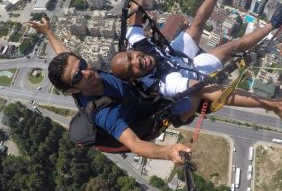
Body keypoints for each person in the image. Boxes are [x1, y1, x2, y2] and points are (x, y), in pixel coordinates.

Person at [111, 0, 282, 135]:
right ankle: (274, 24)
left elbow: (136, 2)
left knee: (197, 24)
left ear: (130, 49)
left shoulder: (135, 40)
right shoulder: (168, 84)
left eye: (131, 56)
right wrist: (269, 104)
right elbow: (216, 93)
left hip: (174, 56)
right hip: (188, 74)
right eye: (131, 67)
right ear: (134, 77)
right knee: (232, 47)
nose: (137, 60)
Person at [26, 17, 191, 164]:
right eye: (78, 77)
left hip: (138, 95)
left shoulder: (83, 77)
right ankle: (181, 119)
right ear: (72, 90)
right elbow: (135, 145)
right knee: (194, 97)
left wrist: (48, 32)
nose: (87, 73)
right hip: (148, 115)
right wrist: (167, 152)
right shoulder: (103, 113)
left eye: (83, 65)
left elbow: (63, 54)